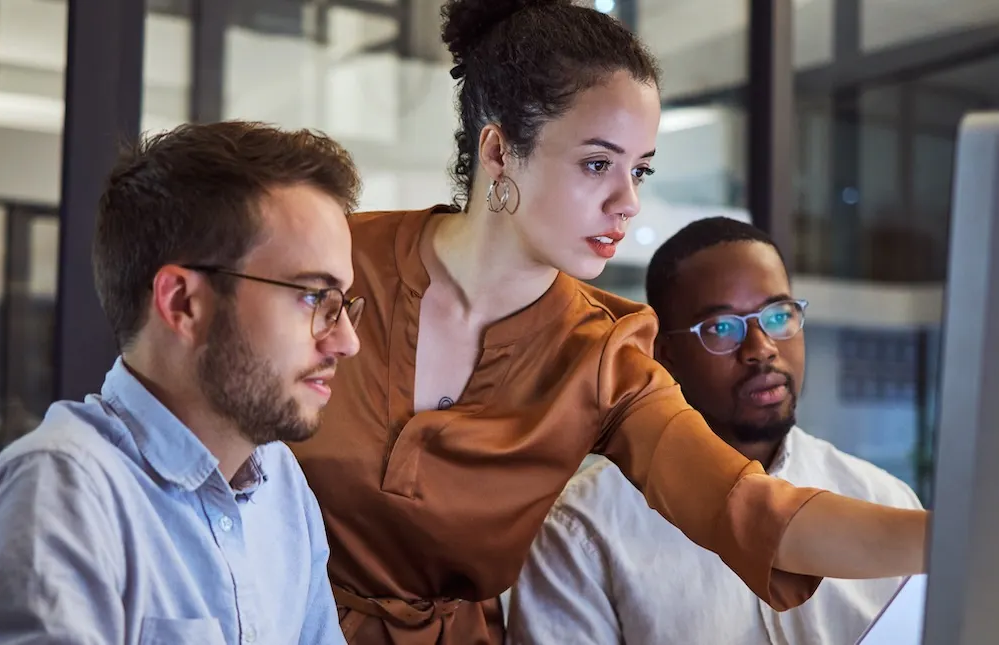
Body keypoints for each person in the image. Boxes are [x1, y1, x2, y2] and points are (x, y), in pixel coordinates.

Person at [289, 1, 930, 643]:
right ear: (499, 149)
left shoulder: (605, 356)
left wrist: (958, 536)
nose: (628, 203)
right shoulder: (330, 263)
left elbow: (751, 510)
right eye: (598, 163)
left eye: (640, 169)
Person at [0, 121, 363, 645]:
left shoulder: (281, 484)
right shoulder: (64, 491)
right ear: (183, 304)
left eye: (342, 304)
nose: (345, 342)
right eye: (315, 298)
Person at [507, 217, 926, 644]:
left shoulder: (882, 499)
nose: (761, 347)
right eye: (722, 328)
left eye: (779, 315)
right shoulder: (582, 527)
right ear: (663, 355)